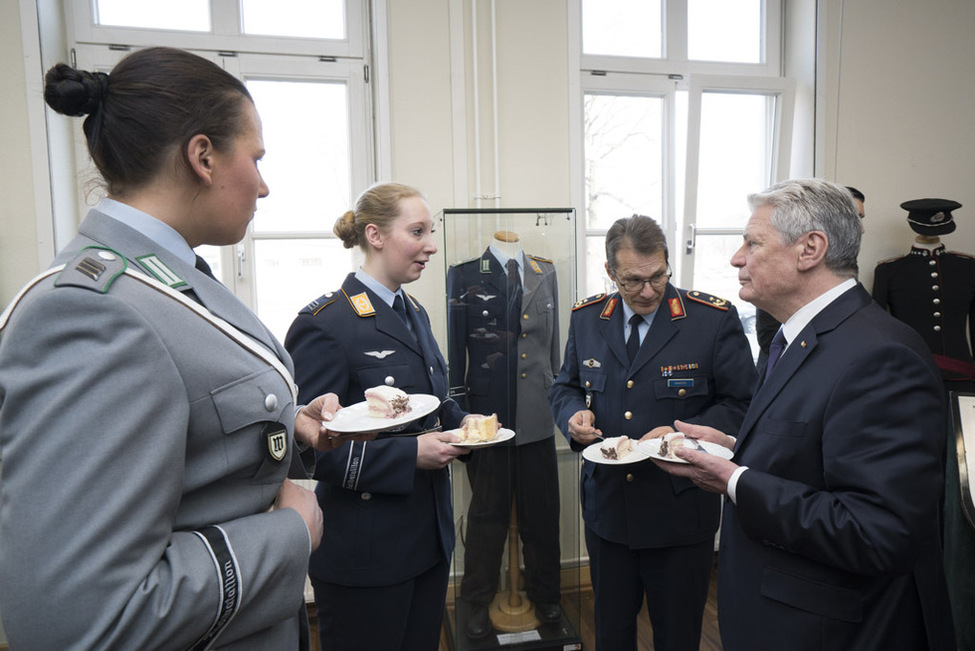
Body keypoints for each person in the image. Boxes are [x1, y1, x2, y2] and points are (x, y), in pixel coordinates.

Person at [0, 47, 342, 649]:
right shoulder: (92, 311)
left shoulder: (166, 276)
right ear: (203, 156)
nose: (263, 185)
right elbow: (81, 618)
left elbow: (193, 435)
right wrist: (290, 533)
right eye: (256, 159)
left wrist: (291, 429)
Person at [654, 179, 956, 650]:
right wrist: (735, 449)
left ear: (810, 249)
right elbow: (819, 451)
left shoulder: (880, 356)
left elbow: (876, 531)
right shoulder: (799, 338)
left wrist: (734, 480)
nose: (737, 258)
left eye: (753, 243)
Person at [548, 214, 755, 651]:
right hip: (608, 509)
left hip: (679, 513)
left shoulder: (711, 319)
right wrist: (571, 417)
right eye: (632, 280)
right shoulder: (587, 318)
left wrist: (688, 433)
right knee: (611, 634)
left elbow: (743, 405)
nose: (648, 290)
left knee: (677, 636)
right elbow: (566, 385)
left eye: (658, 275)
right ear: (610, 272)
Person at [284, 182, 472, 650]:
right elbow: (315, 449)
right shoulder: (326, 323)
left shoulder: (415, 313)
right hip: (366, 552)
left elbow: (426, 402)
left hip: (428, 541)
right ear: (375, 235)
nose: (431, 244)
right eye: (417, 231)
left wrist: (464, 423)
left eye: (431, 231)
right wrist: (410, 455)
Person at [446, 230, 562, 637]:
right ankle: (476, 601)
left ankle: (547, 596)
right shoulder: (463, 276)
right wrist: (458, 415)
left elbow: (554, 352)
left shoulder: (544, 271)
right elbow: (456, 350)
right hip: (486, 418)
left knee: (542, 515)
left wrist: (561, 399)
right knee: (487, 516)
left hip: (536, 412)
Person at [872, 197, 975, 649]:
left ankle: (958, 562)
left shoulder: (969, 267)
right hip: (912, 384)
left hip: (966, 387)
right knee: (918, 473)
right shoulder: (890, 270)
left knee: (964, 481)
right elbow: (878, 332)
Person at [756, 185, 865, 364]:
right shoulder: (786, 262)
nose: (861, 229)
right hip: (783, 363)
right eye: (855, 218)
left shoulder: (846, 264)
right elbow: (769, 334)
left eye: (861, 219)